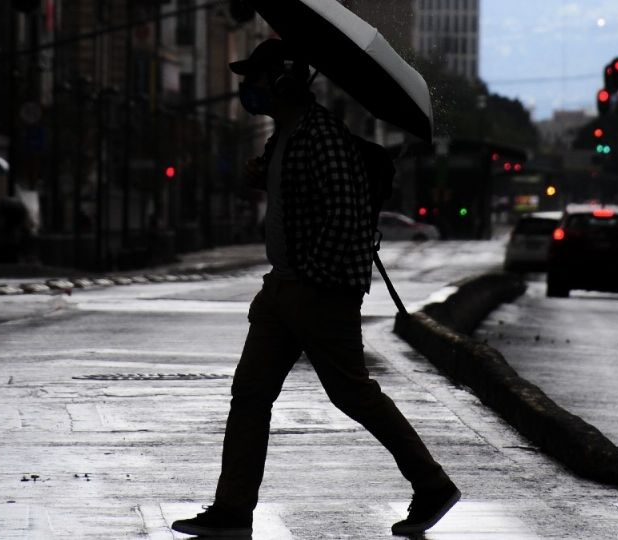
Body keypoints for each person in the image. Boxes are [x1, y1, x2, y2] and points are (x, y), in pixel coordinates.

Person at [171, 39, 459, 538]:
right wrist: (267, 181)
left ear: (284, 80)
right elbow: (305, 202)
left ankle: (432, 485)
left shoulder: (321, 134)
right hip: (283, 288)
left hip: (317, 290)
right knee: (250, 394)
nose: (247, 90)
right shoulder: (285, 134)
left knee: (352, 394)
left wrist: (309, 279)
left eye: (256, 79)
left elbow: (344, 214)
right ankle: (233, 510)